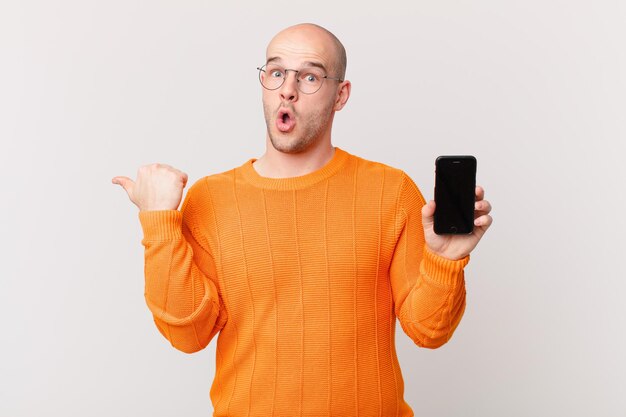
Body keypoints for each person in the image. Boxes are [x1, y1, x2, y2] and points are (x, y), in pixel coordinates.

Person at [112, 23, 492, 417]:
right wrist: (158, 222)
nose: (287, 89)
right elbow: (188, 335)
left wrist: (445, 260)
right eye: (276, 73)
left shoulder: (390, 191)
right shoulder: (212, 198)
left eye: (310, 76)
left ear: (341, 95)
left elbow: (428, 331)